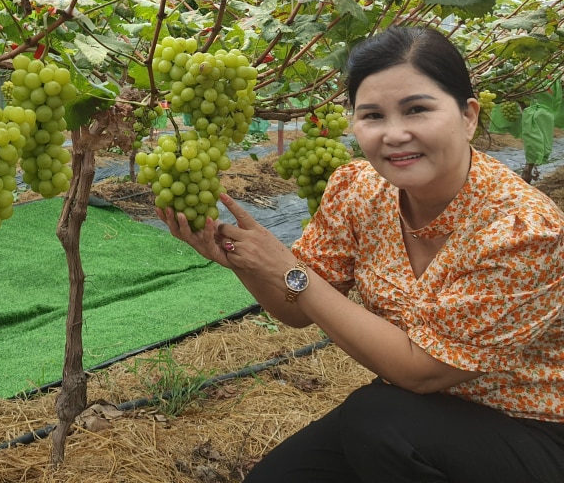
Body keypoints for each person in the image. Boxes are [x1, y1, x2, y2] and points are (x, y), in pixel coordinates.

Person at [157, 26, 564, 482]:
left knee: (375, 418)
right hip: (413, 417)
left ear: (468, 116)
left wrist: (289, 270)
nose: (394, 134)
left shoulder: (523, 230)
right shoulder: (358, 189)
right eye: (372, 116)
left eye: (417, 109)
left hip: (532, 426)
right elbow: (295, 311)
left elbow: (421, 372)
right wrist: (244, 262)